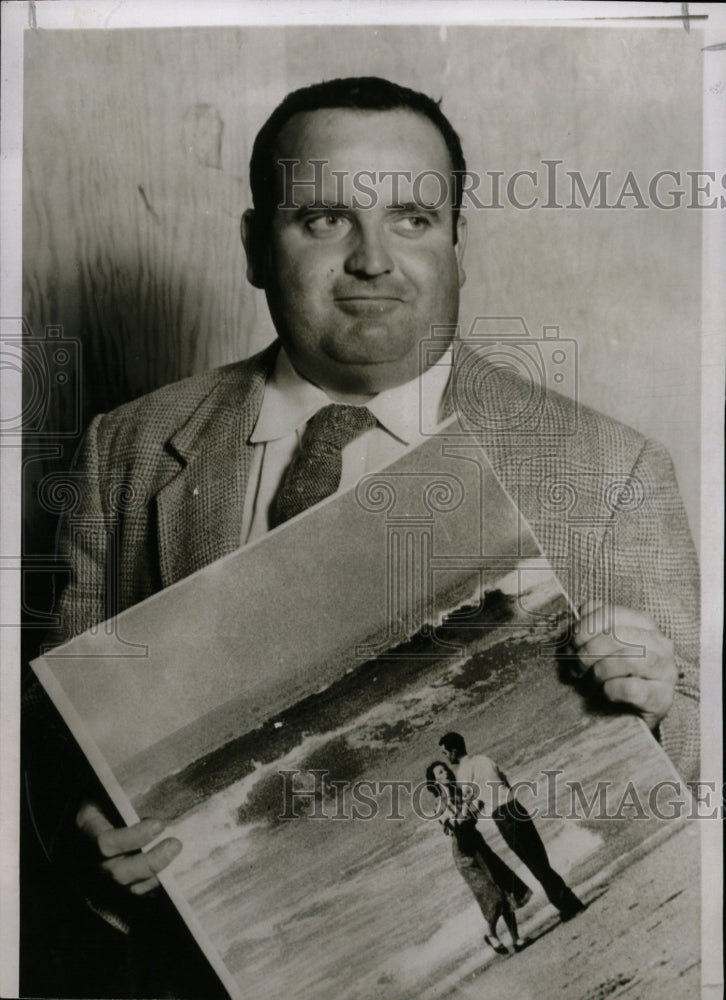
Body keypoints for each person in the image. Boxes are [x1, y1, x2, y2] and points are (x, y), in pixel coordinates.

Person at [23, 76, 699, 995]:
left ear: (461, 241)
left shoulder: (610, 469)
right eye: (324, 219)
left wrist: (658, 704)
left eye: (413, 218)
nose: (372, 259)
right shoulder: (128, 449)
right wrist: (86, 843)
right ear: (257, 247)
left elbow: (701, 778)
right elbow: (56, 744)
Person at [438, 732, 584, 921]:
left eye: (445, 753)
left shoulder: (464, 773)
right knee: (540, 859)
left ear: (454, 751)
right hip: (516, 806)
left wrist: (458, 822)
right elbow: (504, 781)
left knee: (534, 864)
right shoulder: (483, 759)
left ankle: (570, 905)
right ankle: (567, 901)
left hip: (503, 815)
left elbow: (469, 806)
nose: (446, 758)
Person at [426, 761, 531, 955]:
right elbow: (459, 826)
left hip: (478, 844)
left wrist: (473, 803)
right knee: (492, 897)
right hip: (464, 852)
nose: (446, 773)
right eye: (440, 772)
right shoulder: (439, 804)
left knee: (504, 889)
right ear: (435, 781)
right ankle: (491, 934)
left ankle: (516, 939)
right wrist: (468, 805)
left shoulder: (460, 793)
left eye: (446, 769)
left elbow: (475, 814)